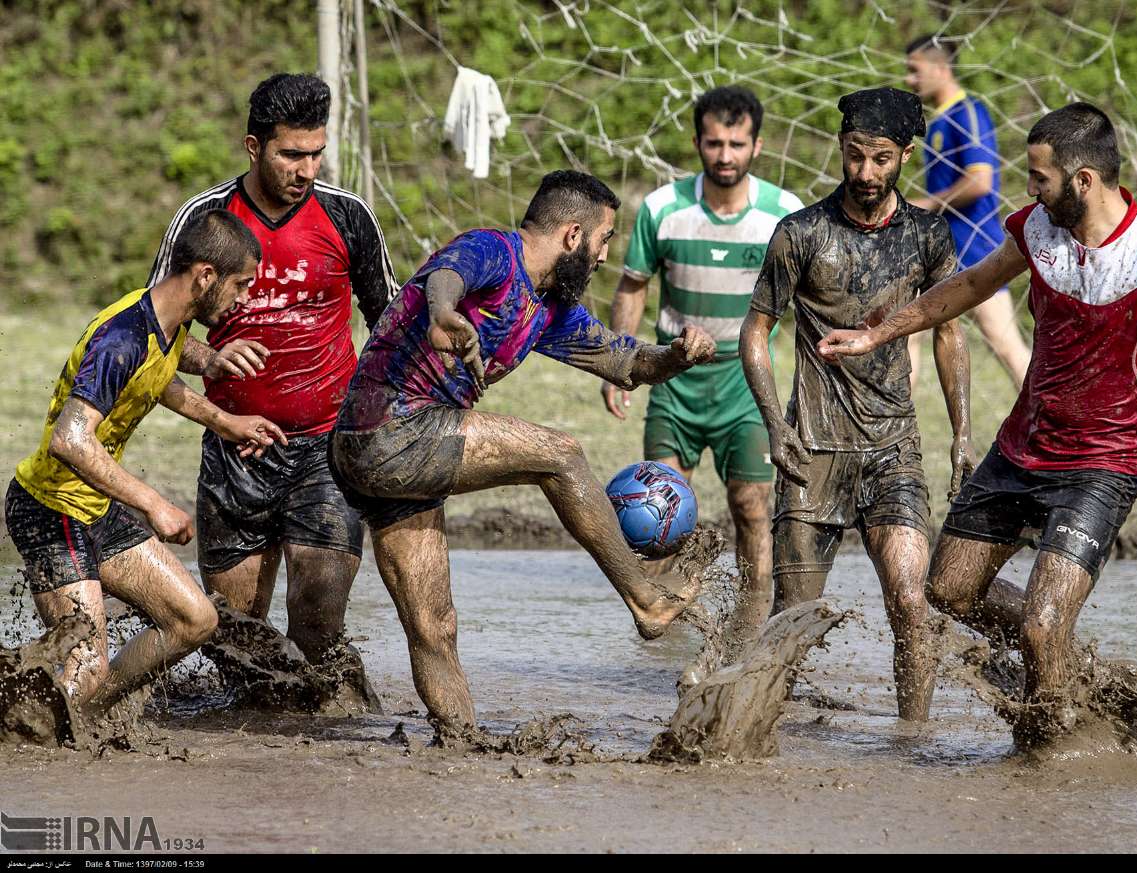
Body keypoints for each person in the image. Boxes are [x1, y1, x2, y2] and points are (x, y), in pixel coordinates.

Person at [817, 102, 1137, 741]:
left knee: (1040, 625)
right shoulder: (1037, 228)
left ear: (1083, 180)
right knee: (948, 592)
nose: (1030, 189)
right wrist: (879, 333)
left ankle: (1049, 751)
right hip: (1021, 448)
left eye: (1040, 177)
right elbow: (972, 284)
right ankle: (1066, 661)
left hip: (1103, 463)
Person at [329, 170, 720, 732]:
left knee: (434, 627)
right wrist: (443, 314)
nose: (605, 257)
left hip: (401, 458)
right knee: (560, 454)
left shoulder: (550, 308)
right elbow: (446, 275)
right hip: (391, 429)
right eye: (603, 240)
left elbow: (626, 363)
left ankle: (459, 744)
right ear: (572, 236)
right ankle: (646, 601)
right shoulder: (494, 251)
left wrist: (680, 354)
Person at [740, 88, 976, 721]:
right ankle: (756, 736)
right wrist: (773, 421)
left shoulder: (928, 235)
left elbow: (950, 331)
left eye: (879, 159)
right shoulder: (801, 234)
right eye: (853, 157)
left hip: (893, 449)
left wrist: (962, 435)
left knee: (910, 600)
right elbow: (755, 332)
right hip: (811, 449)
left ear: (905, 154)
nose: (865, 174)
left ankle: (913, 735)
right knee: (790, 619)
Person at [147, 73, 398, 663]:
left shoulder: (349, 217)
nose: (305, 169)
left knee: (317, 623)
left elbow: (390, 322)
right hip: (236, 448)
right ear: (254, 146)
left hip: (328, 449)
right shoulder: (204, 219)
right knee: (236, 638)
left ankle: (321, 742)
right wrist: (209, 355)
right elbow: (150, 329)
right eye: (290, 154)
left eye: (316, 154)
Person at [5, 209, 286, 718]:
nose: (243, 299)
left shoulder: (167, 323)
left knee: (194, 620)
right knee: (85, 666)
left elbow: (161, 382)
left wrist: (227, 422)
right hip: (50, 512)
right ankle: (23, 743)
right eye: (240, 285)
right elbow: (70, 441)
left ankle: (89, 716)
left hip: (93, 509)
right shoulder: (123, 338)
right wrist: (155, 504)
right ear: (205, 276)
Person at [603, 85, 804, 642]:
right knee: (653, 514)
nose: (724, 155)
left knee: (752, 508)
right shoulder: (662, 209)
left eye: (736, 144)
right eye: (713, 143)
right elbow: (633, 286)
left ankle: (749, 629)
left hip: (745, 385)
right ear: (697, 142)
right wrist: (622, 360)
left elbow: (808, 299)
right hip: (674, 382)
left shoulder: (784, 215)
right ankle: (656, 630)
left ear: (757, 145)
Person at [905, 33, 1031, 390]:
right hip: (940, 249)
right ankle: (896, 432)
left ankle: (1053, 424)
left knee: (1003, 343)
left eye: (914, 71)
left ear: (940, 67)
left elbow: (980, 182)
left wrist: (928, 203)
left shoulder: (968, 113)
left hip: (976, 246)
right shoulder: (939, 121)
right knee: (907, 334)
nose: (909, 80)